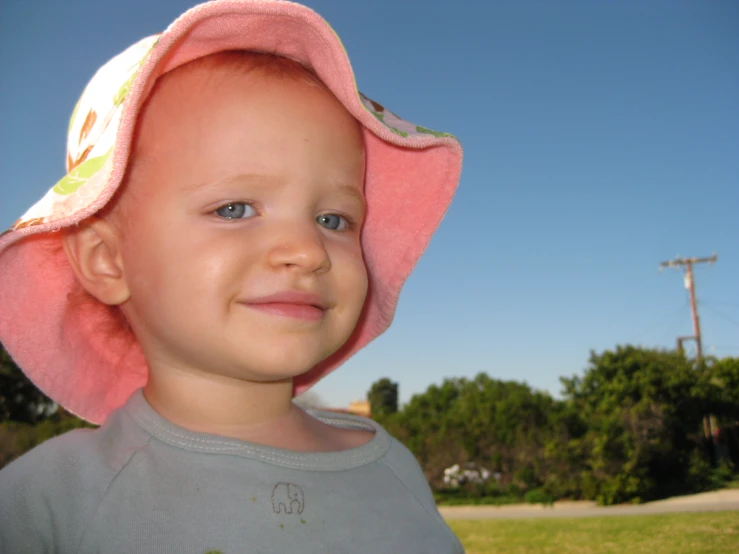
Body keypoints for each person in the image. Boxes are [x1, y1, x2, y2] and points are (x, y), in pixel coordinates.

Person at [0, 1, 463, 551]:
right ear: (107, 260)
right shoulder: (50, 500)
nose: (307, 250)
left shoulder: (393, 471)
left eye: (333, 219)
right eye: (235, 209)